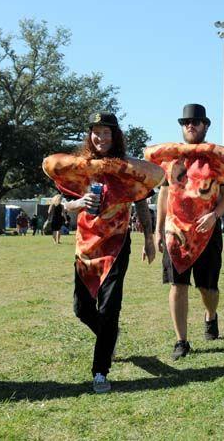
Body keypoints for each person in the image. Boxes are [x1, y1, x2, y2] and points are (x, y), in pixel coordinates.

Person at [42, 112, 164, 393]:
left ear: (115, 136)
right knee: (81, 308)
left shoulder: (127, 171)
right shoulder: (80, 169)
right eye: (96, 132)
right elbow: (67, 204)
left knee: (109, 308)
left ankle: (100, 372)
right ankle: (109, 335)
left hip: (117, 245)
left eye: (107, 132)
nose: (101, 137)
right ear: (90, 136)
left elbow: (142, 203)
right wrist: (80, 202)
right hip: (86, 246)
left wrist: (148, 237)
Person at [147, 104, 224, 361]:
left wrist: (214, 215)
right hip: (175, 232)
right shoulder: (171, 160)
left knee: (208, 289)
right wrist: (158, 229)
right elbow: (165, 193)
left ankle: (211, 315)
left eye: (196, 122)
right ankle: (181, 340)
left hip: (206, 232)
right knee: (177, 285)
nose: (190, 126)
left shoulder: (216, 160)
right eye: (186, 122)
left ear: (205, 126)